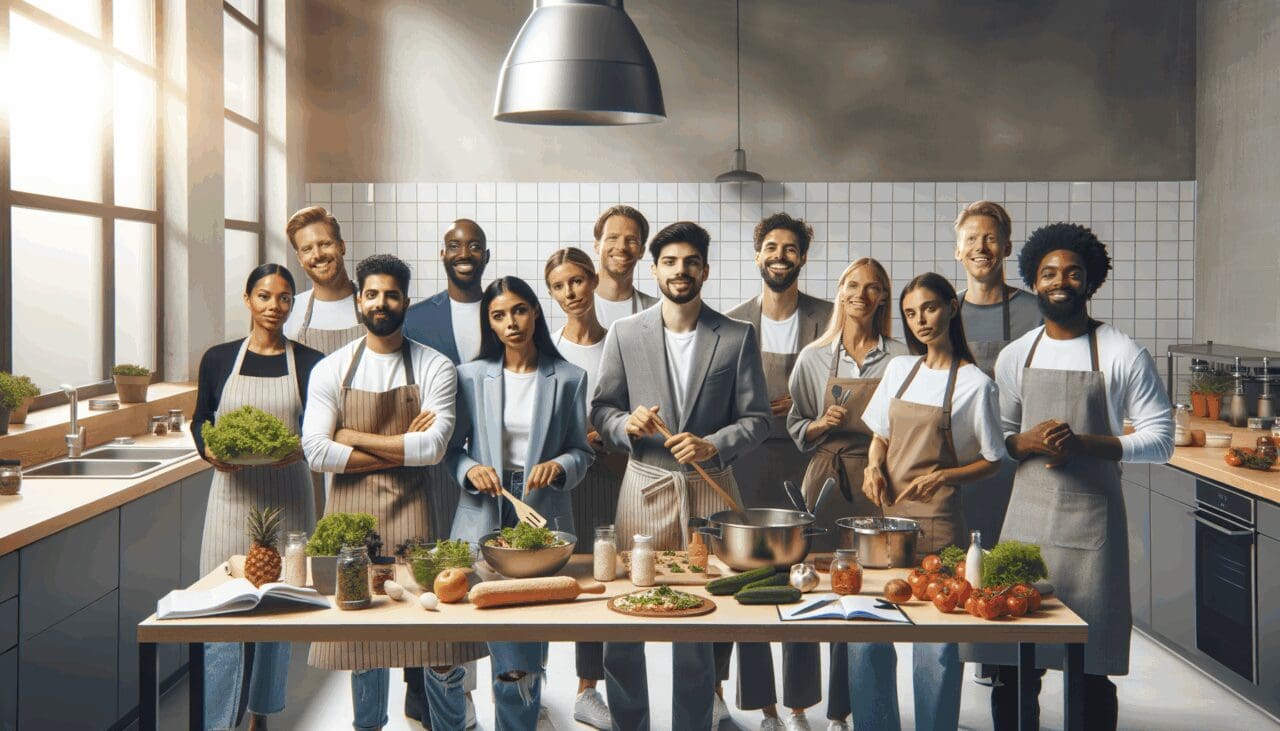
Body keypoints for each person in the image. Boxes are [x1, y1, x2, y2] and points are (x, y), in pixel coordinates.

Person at [970, 223, 1174, 731]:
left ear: (1090, 281)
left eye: (1073, 272)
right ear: (1034, 282)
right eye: (1049, 273)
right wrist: (1027, 443)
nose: (1060, 281)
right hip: (1025, 527)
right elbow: (1002, 438)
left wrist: (1085, 444)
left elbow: (1162, 439)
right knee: (1014, 664)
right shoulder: (1018, 355)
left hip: (1092, 531)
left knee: (1090, 667)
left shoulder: (1121, 351)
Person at [591, 221, 771, 731]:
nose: (680, 270)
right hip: (645, 487)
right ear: (654, 270)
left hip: (707, 492)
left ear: (705, 271)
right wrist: (624, 424)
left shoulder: (736, 335)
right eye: (670, 262)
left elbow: (758, 419)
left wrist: (714, 444)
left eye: (691, 261)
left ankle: (693, 722)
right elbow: (602, 408)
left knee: (701, 615)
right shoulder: (626, 333)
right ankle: (629, 723)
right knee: (625, 612)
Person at [302, 254, 486, 731]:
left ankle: (448, 725)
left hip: (415, 516)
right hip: (350, 522)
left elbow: (433, 448)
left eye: (391, 294)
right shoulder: (331, 368)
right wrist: (402, 447)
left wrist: (352, 437)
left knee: (434, 637)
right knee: (362, 643)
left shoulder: (435, 366)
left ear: (405, 300)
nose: (380, 303)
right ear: (358, 301)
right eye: (371, 294)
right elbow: (316, 452)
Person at [851, 272, 1006, 731]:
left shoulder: (976, 384)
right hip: (887, 524)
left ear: (952, 308)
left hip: (938, 525)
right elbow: (880, 434)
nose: (920, 320)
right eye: (911, 313)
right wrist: (872, 467)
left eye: (930, 308)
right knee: (868, 631)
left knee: (935, 644)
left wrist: (944, 476)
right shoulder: (900, 369)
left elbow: (993, 459)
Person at [446, 276, 593, 731]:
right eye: (498, 315)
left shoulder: (569, 377)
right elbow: (452, 450)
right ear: (489, 324)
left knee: (528, 622)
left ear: (535, 312)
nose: (511, 323)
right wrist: (470, 469)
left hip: (541, 512)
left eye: (519, 310)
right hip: (485, 508)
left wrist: (560, 465)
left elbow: (582, 451)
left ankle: (523, 708)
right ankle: (515, 710)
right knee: (494, 623)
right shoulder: (470, 376)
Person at [193, 264, 323, 731]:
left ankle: (260, 717)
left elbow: (321, 430)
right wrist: (208, 450)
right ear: (247, 299)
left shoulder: (309, 362)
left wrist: (300, 447)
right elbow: (201, 419)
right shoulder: (218, 359)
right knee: (220, 606)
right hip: (230, 497)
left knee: (276, 610)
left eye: (285, 298)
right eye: (265, 296)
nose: (274, 306)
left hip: (288, 497)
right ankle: (217, 721)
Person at [783, 257, 909, 731]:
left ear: (883, 297)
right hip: (823, 477)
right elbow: (796, 425)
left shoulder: (901, 358)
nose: (861, 294)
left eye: (872, 287)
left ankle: (843, 710)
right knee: (804, 587)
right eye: (852, 285)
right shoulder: (813, 356)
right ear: (839, 291)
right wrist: (819, 424)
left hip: (876, 482)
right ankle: (797, 707)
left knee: (863, 593)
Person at [723, 214, 834, 731]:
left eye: (790, 249)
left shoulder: (828, 318)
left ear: (803, 257)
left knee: (802, 580)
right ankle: (764, 707)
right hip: (748, 465)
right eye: (771, 247)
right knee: (752, 582)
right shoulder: (733, 322)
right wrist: (759, 412)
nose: (780, 256)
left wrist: (804, 410)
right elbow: (721, 402)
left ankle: (799, 707)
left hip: (807, 463)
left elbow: (849, 385)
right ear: (757, 255)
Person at [401, 218, 492, 724]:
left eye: (474, 246)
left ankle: (463, 688)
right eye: (455, 245)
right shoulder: (417, 317)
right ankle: (420, 693)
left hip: (488, 465)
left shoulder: (503, 307)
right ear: (443, 254)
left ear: (485, 255)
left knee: (471, 575)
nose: (464, 253)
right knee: (426, 576)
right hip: (432, 465)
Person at [543, 247, 623, 730]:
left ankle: (587, 689)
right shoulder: (548, 349)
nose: (570, 292)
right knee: (553, 578)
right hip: (560, 480)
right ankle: (533, 685)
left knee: (604, 578)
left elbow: (633, 411)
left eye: (576, 281)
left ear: (593, 280)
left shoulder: (621, 343)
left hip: (613, 475)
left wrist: (606, 436)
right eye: (559, 286)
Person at [282, 206, 367, 520]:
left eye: (325, 244)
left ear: (342, 246)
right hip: (308, 455)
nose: (317, 254)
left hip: (364, 450)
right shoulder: (290, 313)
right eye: (307, 249)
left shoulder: (371, 305)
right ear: (299, 258)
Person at [591, 205, 658, 327]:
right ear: (597, 246)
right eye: (613, 238)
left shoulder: (657, 311)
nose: (622, 247)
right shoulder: (570, 304)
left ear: (641, 251)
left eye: (631, 240)